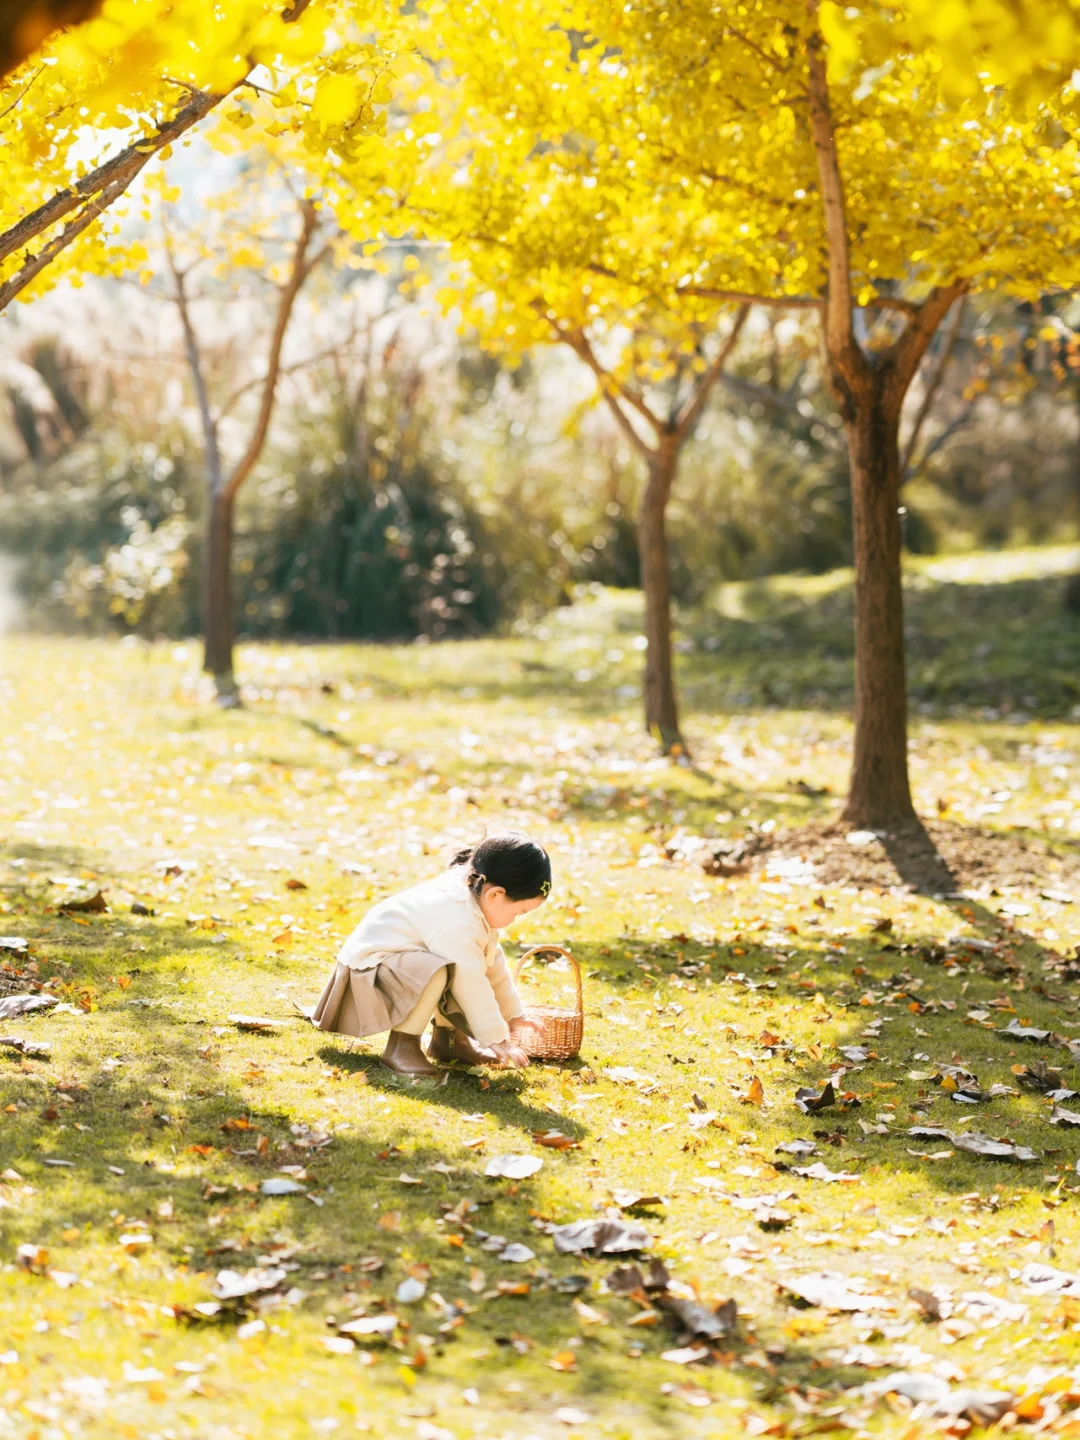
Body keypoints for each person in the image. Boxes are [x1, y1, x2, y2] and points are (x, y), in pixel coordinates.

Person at [311, 832, 551, 1076]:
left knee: (457, 965)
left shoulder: (474, 899)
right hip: (367, 976)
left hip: (396, 968)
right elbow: (470, 981)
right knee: (442, 971)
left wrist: (514, 1014)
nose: (515, 919)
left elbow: (491, 965)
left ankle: (449, 1043)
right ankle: (402, 1047)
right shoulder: (456, 920)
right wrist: (497, 1039)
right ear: (495, 894)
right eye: (518, 912)